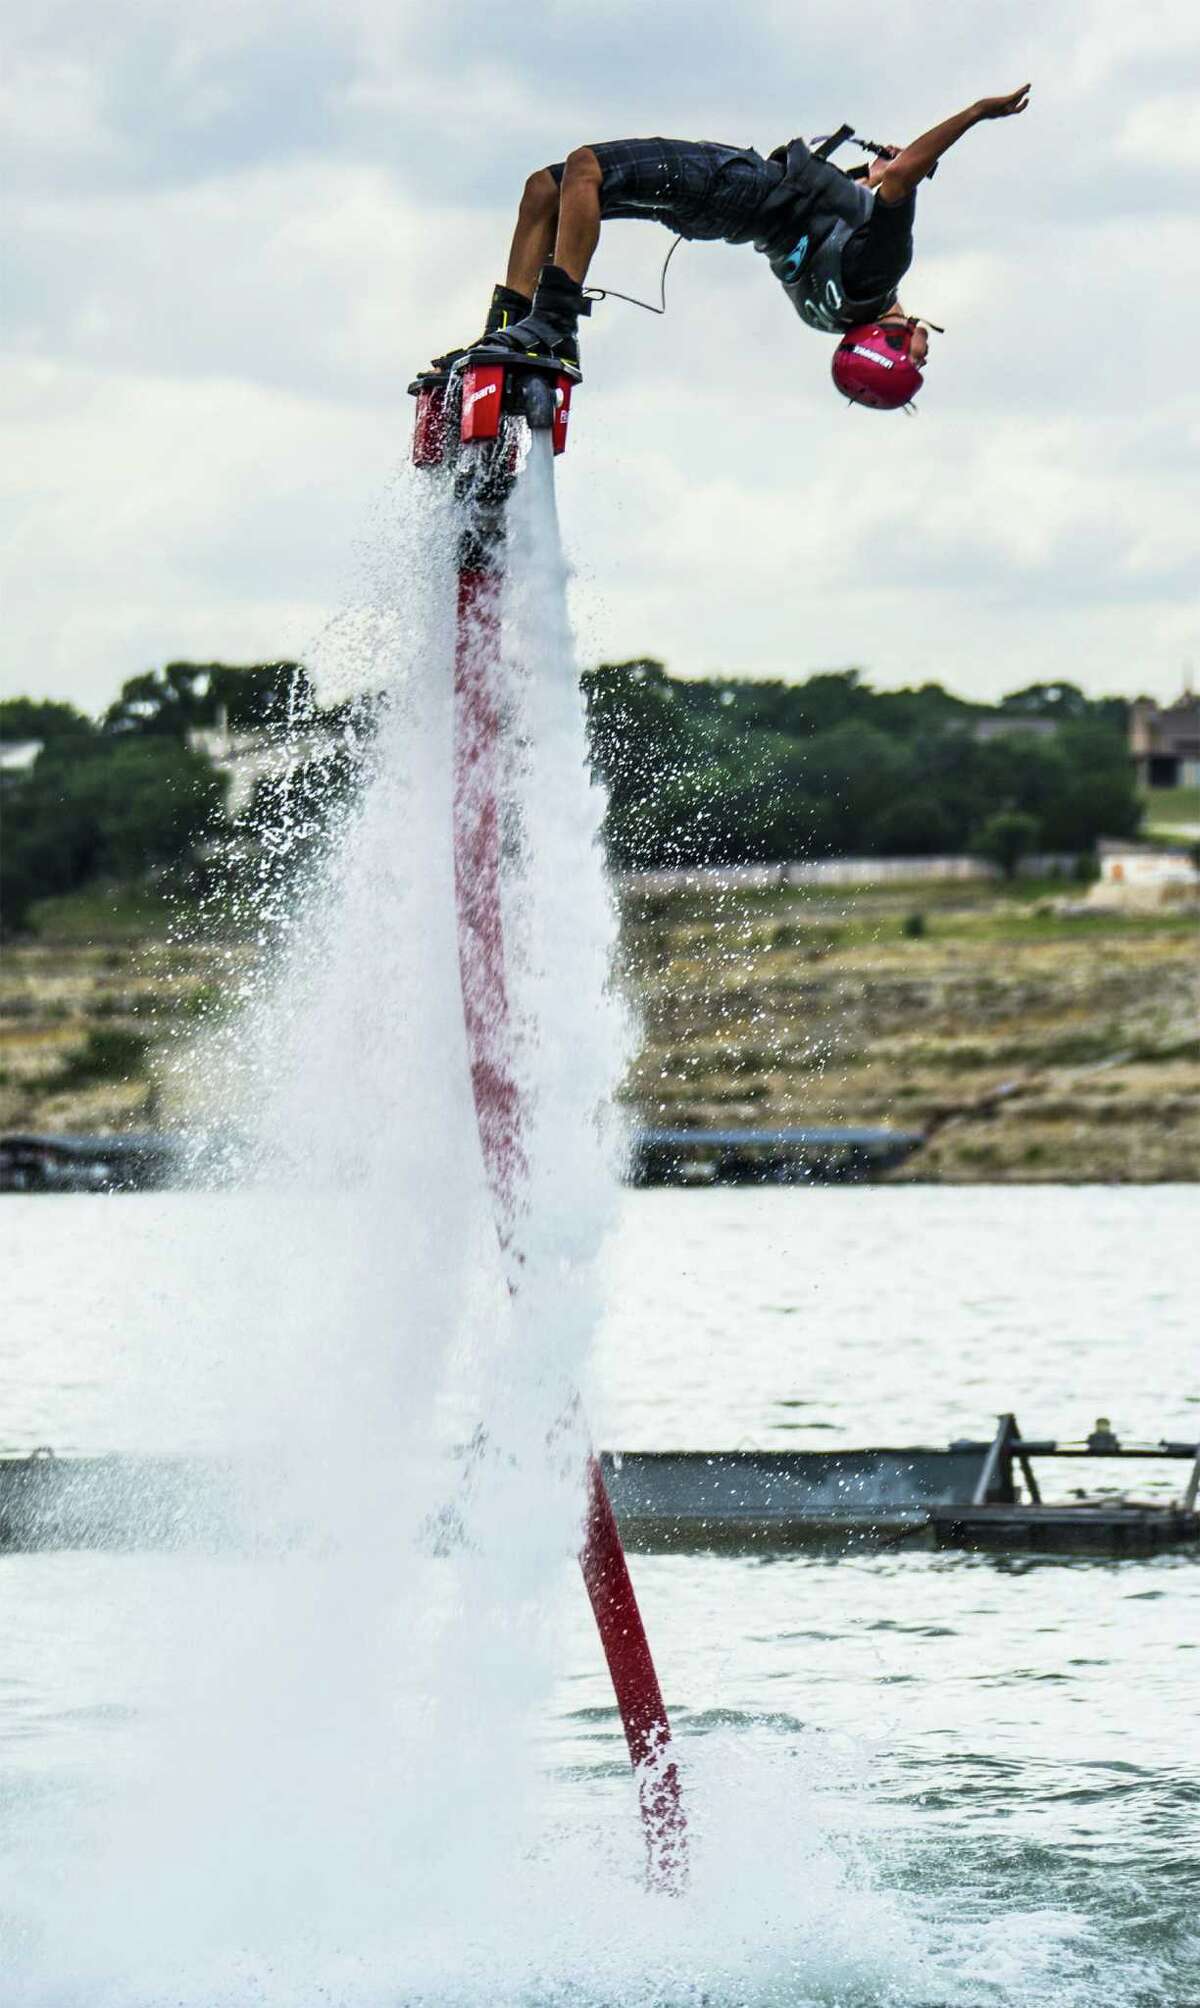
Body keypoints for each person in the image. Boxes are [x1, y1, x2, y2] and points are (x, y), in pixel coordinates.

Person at [434, 86, 1030, 410]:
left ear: (889, 342)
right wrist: (865, 181)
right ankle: (508, 326)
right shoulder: (833, 312)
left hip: (738, 191)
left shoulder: (879, 274)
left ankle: (551, 324)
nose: (928, 350)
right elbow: (823, 227)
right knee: (549, 188)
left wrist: (976, 113)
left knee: (582, 170)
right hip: (727, 215)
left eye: (917, 358)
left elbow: (905, 176)